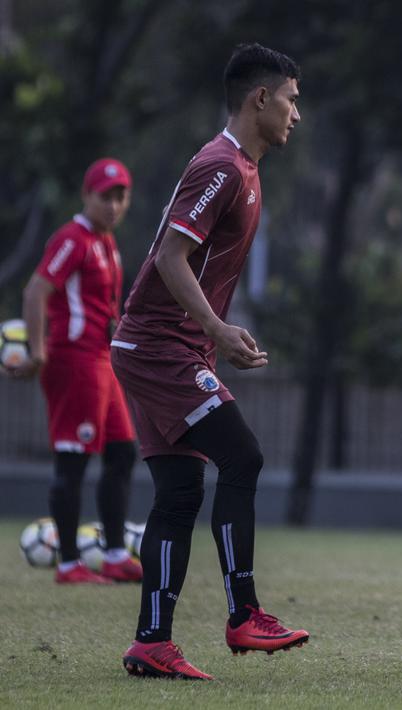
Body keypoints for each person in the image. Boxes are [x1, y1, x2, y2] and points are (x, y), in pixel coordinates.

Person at [110, 43, 308, 680]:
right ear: (260, 98)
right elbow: (170, 257)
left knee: (179, 492)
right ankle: (244, 614)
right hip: (158, 347)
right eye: (291, 100)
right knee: (242, 456)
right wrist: (217, 330)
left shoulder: (244, 169)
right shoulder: (221, 167)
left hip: (167, 347)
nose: (296, 114)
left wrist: (210, 337)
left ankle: (152, 642)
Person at [11, 158, 142, 585]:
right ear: (87, 195)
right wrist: (37, 352)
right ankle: (69, 564)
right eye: (105, 196)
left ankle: (115, 554)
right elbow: (35, 291)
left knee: (122, 452)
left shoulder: (107, 242)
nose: (113, 205)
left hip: (102, 361)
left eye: (121, 196)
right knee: (74, 460)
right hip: (74, 362)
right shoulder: (74, 238)